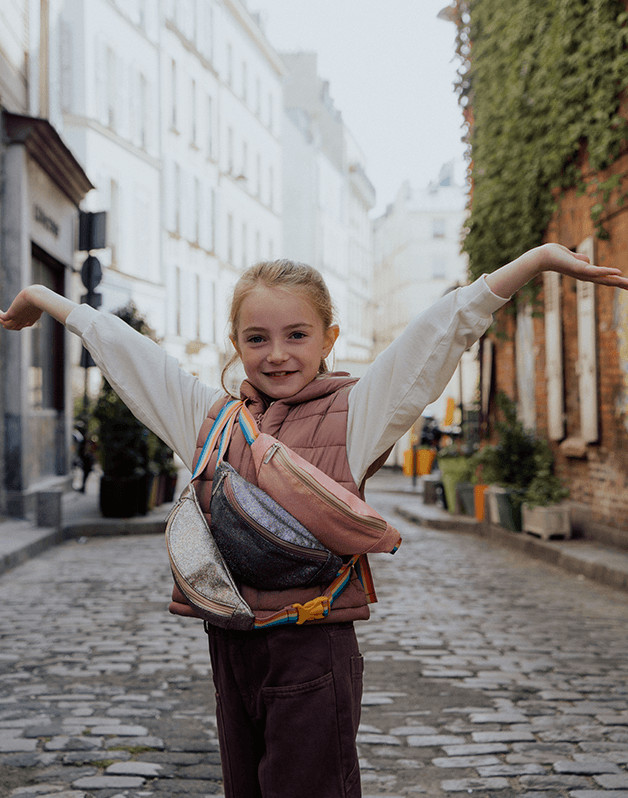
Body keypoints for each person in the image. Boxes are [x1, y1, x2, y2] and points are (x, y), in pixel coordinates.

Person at [1, 243, 627, 797]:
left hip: (312, 647)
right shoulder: (211, 419)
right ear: (236, 342)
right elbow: (133, 357)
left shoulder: (358, 413)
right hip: (231, 645)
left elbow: (438, 336)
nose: (276, 355)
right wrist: (47, 299)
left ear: (330, 338)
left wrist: (536, 261)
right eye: (257, 339)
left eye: (297, 335)